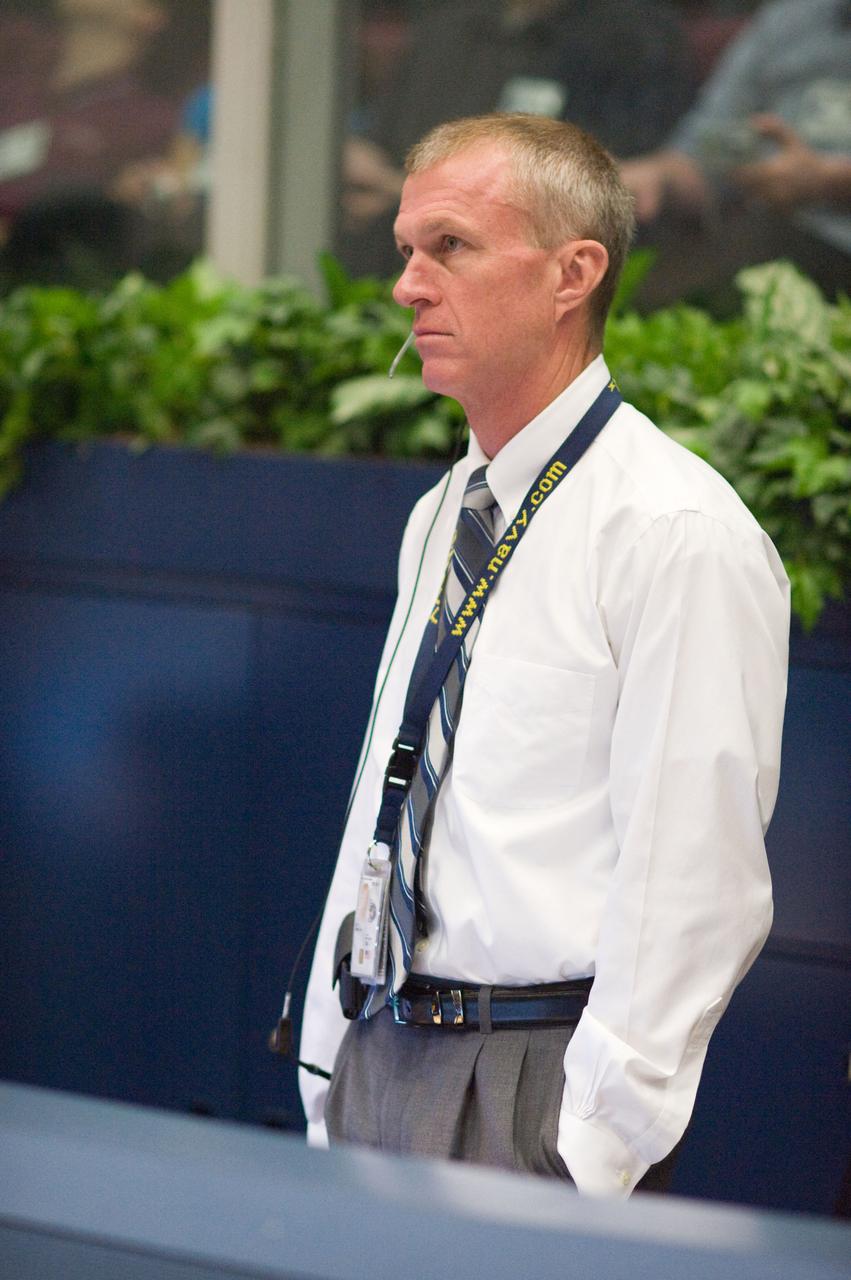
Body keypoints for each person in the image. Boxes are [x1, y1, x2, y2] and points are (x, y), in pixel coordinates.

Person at [300, 112, 790, 1197]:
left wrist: (591, 1150)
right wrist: (332, 1066)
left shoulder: (675, 532)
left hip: (533, 1085)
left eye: (451, 247)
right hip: (383, 1049)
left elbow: (693, 884)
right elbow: (386, 795)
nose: (407, 287)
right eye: (405, 251)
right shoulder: (441, 511)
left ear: (572, 274)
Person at [620, 0, 851, 303]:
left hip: (828, 243)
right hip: (772, 244)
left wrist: (829, 181)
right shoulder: (792, 17)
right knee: (625, 291)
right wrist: (655, 176)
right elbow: (705, 152)